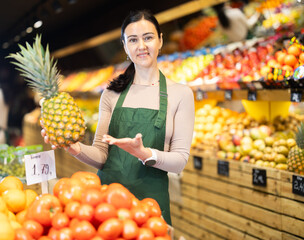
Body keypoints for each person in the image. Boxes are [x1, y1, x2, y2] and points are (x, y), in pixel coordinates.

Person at [42, 10, 195, 225]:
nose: (141, 46)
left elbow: (179, 161)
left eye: (148, 37)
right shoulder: (112, 94)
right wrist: (73, 148)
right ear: (124, 46)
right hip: (106, 206)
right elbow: (101, 155)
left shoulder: (180, 94)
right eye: (133, 40)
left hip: (150, 209)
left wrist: (143, 153)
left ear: (160, 40)